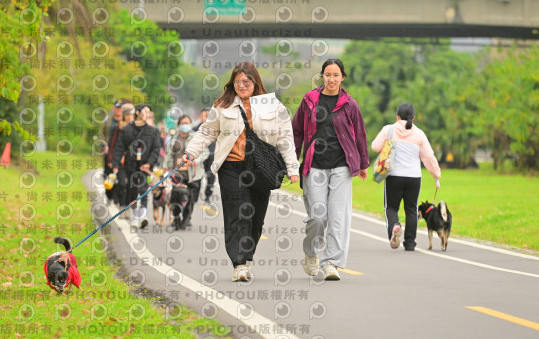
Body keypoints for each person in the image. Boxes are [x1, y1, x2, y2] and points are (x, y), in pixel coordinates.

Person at [183, 62, 300, 282]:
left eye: (246, 81)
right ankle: (239, 264)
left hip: (261, 168)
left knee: (256, 218)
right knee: (237, 214)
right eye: (237, 81)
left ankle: (247, 258)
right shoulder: (223, 105)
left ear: (255, 82)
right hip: (231, 167)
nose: (242, 85)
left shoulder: (272, 106)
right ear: (232, 83)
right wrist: (191, 152)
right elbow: (207, 132)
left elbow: (285, 138)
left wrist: (293, 167)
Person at [292, 58, 370, 281]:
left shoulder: (350, 105)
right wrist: (292, 161)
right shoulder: (309, 100)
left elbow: (360, 134)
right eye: (328, 75)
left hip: (341, 166)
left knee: (337, 217)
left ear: (342, 77)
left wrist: (363, 163)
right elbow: (296, 131)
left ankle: (331, 263)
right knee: (317, 216)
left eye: (336, 75)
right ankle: (310, 253)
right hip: (314, 165)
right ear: (322, 76)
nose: (331, 79)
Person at [371, 102, 441, 251]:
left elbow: (375, 147)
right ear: (413, 118)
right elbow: (429, 157)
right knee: (411, 209)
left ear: (397, 116)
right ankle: (410, 243)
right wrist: (436, 175)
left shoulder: (388, 130)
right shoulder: (419, 134)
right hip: (414, 178)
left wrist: (387, 146)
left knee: (391, 208)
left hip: (394, 176)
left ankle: (395, 227)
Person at [112, 104, 162, 230]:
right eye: (145, 112)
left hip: (146, 166)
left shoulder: (152, 131)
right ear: (138, 112)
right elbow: (119, 147)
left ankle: (143, 215)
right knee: (132, 190)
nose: (147, 115)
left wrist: (149, 163)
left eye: (149, 113)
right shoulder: (127, 129)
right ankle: (135, 216)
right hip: (131, 164)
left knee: (144, 189)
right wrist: (115, 165)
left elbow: (156, 149)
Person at [162, 115, 207, 230]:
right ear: (178, 125)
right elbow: (168, 154)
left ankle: (187, 218)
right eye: (183, 123)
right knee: (175, 197)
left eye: (187, 123)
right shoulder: (174, 138)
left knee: (190, 198)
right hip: (177, 174)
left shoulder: (196, 137)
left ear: (191, 124)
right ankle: (176, 219)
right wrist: (165, 167)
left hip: (192, 174)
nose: (185, 125)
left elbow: (205, 153)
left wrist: (194, 161)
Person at [105, 103, 134, 208]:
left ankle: (126, 205)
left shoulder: (137, 128)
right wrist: (111, 160)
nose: (129, 117)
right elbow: (113, 145)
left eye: (131, 115)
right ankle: (121, 204)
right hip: (120, 159)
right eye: (127, 115)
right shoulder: (118, 127)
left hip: (132, 161)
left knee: (130, 185)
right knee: (122, 183)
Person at [193, 108, 215, 203]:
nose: (206, 118)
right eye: (205, 116)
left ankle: (207, 196)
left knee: (211, 177)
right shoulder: (195, 129)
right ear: (200, 117)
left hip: (211, 157)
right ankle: (195, 197)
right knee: (198, 177)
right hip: (199, 157)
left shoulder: (215, 129)